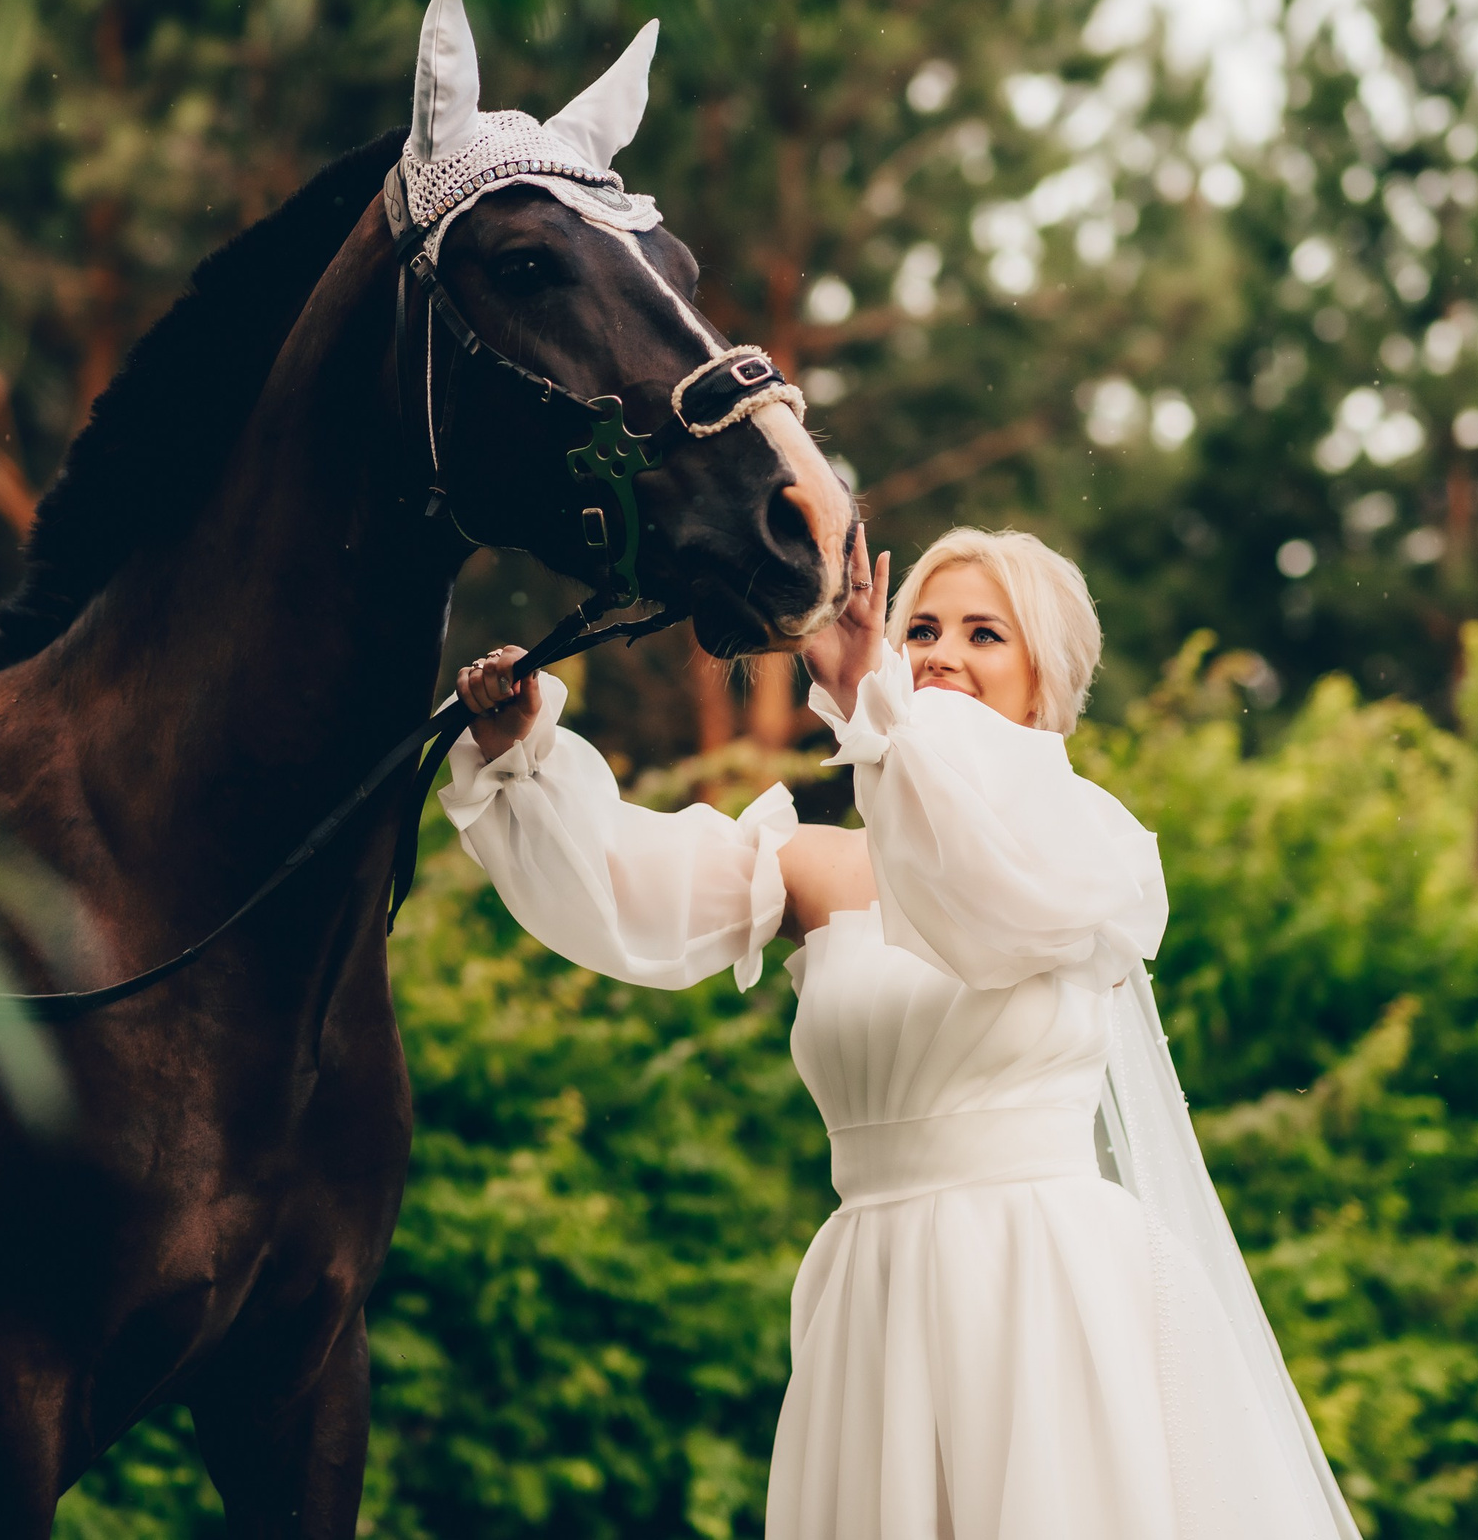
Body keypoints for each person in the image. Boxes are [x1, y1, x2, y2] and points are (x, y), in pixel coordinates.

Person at [445, 524, 1359, 1540]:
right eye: (919, 626)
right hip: (872, 1299)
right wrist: (520, 753)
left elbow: (975, 894)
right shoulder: (817, 865)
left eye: (984, 633)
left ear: (1045, 681)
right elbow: (625, 887)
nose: (939, 654)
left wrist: (872, 706)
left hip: (1045, 1291)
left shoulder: (1089, 847)